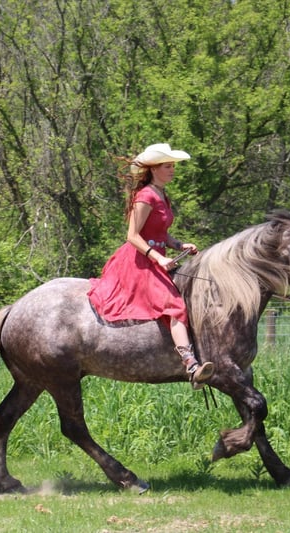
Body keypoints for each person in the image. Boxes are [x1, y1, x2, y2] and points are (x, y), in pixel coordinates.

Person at [88, 143, 214, 389]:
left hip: (154, 259)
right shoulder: (146, 196)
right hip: (138, 261)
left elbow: (159, 233)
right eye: (168, 166)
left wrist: (179, 245)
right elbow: (132, 236)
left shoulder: (162, 195)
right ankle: (190, 364)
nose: (173, 170)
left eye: (173, 166)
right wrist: (159, 258)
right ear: (154, 169)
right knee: (175, 306)